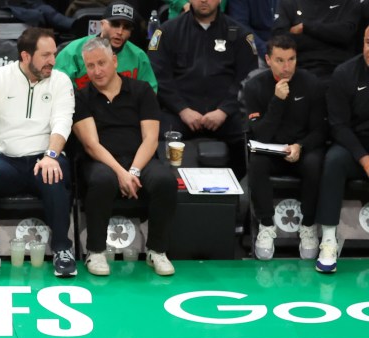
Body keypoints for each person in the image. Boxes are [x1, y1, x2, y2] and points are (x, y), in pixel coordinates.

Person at [0, 27, 77, 279]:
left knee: (56, 173)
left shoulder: (60, 81)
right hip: (4, 160)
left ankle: (62, 249)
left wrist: (51, 154)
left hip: (43, 157)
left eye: (54, 54)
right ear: (26, 56)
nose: (53, 61)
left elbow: (63, 122)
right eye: (46, 55)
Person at [73, 37, 176, 277]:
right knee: (102, 180)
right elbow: (91, 144)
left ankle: (157, 250)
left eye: (102, 63)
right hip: (101, 160)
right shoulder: (81, 96)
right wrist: (121, 173)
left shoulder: (141, 90)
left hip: (140, 158)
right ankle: (96, 251)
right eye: (90, 66)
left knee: (164, 181)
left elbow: (151, 138)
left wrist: (134, 171)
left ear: (115, 61)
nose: (97, 71)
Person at [149, 0, 258, 177]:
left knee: (249, 134)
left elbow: (247, 78)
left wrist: (224, 110)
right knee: (155, 134)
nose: (204, 0)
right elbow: (159, 76)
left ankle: (237, 195)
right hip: (179, 113)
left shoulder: (239, 34)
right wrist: (182, 109)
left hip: (225, 114)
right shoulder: (168, 32)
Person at [243, 33, 327, 261]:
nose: (286, 66)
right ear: (268, 60)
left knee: (315, 162)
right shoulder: (254, 87)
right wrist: (277, 101)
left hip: (302, 150)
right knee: (257, 161)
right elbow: (260, 133)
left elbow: (320, 131)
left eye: (291, 59)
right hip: (269, 150)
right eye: (280, 60)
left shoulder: (312, 85)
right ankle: (266, 226)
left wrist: (300, 145)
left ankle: (309, 226)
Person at [315, 24, 369, 274]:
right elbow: (339, 125)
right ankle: (328, 240)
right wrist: (364, 158)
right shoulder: (345, 73)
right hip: (352, 145)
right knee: (333, 160)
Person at [55, 3, 158, 92]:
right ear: (102, 24)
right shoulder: (72, 52)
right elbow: (57, 88)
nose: (120, 32)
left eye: (126, 27)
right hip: (81, 110)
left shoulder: (138, 56)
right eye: (115, 24)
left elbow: (149, 93)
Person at [272, 0, 360, 80]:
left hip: (337, 68)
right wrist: (329, 37)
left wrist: (306, 27)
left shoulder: (349, 2)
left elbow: (346, 34)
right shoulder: (289, 2)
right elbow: (279, 40)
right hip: (299, 68)